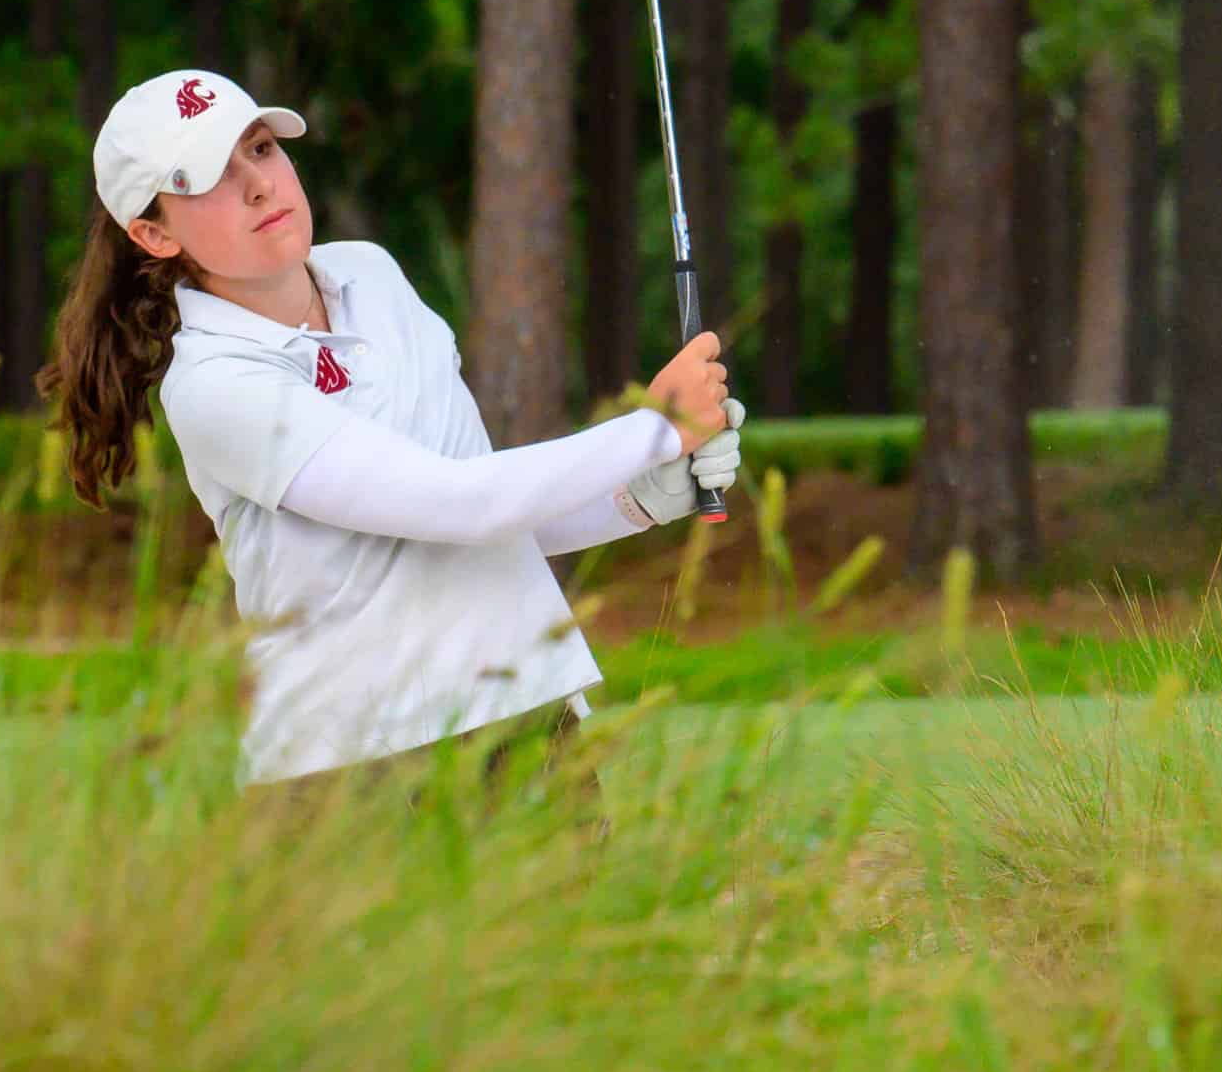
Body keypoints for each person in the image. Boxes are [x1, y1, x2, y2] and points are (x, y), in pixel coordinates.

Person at [36, 69, 744, 796]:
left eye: (258, 149)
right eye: (208, 177)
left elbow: (468, 520)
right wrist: (654, 430)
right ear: (152, 234)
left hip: (526, 720)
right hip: (355, 771)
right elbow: (459, 503)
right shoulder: (214, 385)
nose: (256, 184)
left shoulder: (372, 275)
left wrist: (638, 498)